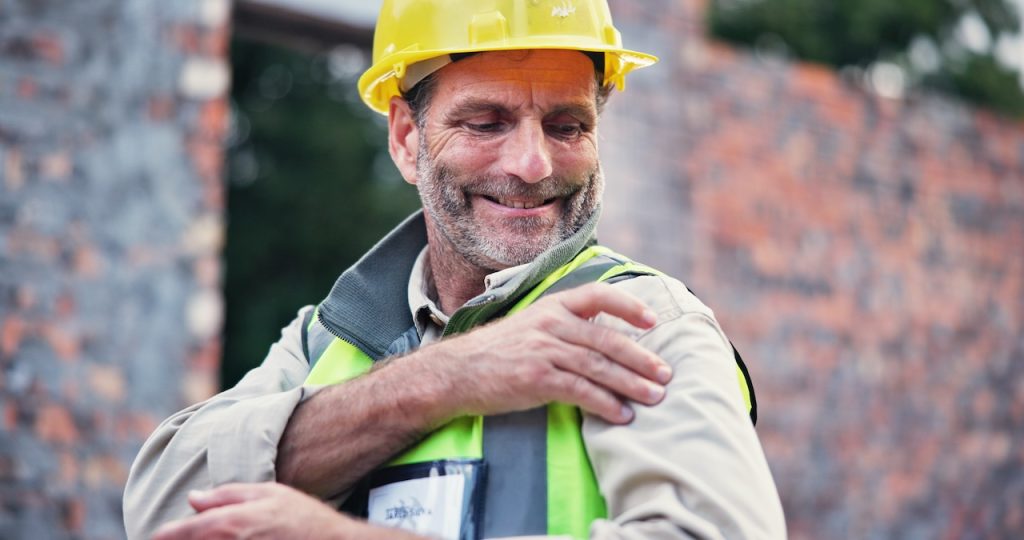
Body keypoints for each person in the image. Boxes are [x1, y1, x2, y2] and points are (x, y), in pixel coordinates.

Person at [126, 1, 786, 538]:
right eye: (486, 122)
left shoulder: (641, 326)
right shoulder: (329, 340)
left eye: (566, 126)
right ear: (407, 141)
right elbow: (163, 507)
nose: (533, 163)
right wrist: (450, 376)